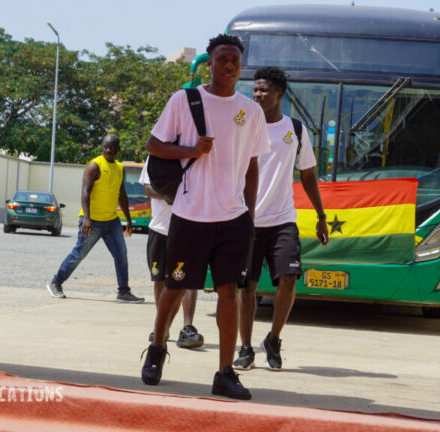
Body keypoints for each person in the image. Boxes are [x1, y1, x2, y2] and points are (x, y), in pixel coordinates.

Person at [140, 34, 269, 400]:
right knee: (175, 286)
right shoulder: (185, 100)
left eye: (236, 61)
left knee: (229, 291)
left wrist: (250, 212)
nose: (229, 65)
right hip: (189, 213)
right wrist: (191, 150)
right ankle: (157, 349)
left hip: (233, 218)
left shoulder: (252, 111)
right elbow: (153, 145)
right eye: (223, 58)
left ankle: (225, 373)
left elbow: (253, 165)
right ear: (209, 63)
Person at [234, 67, 329, 371]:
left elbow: (309, 174)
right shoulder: (242, 124)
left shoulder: (296, 130)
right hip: (246, 219)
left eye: (264, 90)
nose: (258, 94)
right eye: (256, 89)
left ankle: (273, 339)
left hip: (282, 220)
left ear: (279, 94)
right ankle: (246, 348)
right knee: (246, 287)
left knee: (288, 280)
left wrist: (321, 215)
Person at [47, 134, 144, 304]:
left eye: (112, 147)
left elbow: (122, 195)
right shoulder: (94, 166)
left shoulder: (120, 168)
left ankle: (123, 292)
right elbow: (85, 193)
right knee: (79, 254)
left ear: (118, 149)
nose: (108, 150)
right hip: (93, 221)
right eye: (105, 147)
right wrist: (86, 218)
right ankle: (56, 282)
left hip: (112, 221)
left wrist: (128, 220)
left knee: (121, 255)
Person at [139, 157, 204, 348]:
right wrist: (171, 194)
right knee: (159, 279)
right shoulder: (156, 157)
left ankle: (188, 327)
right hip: (160, 228)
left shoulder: (194, 156)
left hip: (187, 227)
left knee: (187, 279)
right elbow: (147, 188)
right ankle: (163, 325)